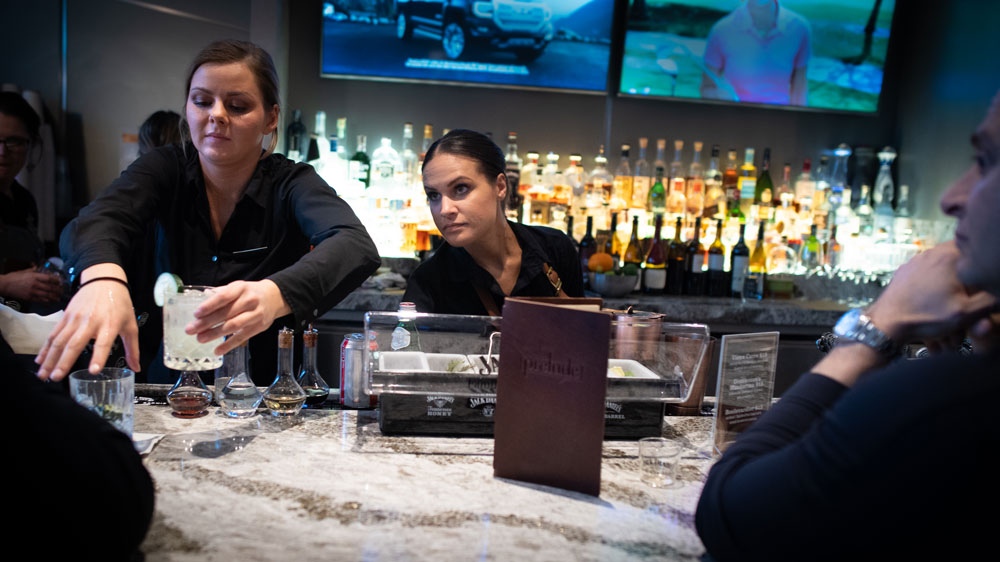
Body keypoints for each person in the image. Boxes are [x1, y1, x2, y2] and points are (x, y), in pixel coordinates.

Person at [695, 90, 1000, 560]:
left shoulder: (944, 399)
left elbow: (732, 511)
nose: (950, 197)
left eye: (985, 161)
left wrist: (875, 327)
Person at [36, 40, 380, 384]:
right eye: (202, 101)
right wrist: (102, 278)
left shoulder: (291, 183)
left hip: (261, 397)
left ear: (271, 118)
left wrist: (274, 294)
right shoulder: (164, 168)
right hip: (164, 389)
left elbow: (354, 244)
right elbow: (99, 219)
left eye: (238, 105)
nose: (216, 115)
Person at [403, 129, 583, 315]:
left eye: (460, 188)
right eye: (433, 195)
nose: (445, 209)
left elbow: (585, 336)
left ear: (500, 187)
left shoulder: (556, 249)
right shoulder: (428, 282)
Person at [0, 92, 62, 309]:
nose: (2, 151)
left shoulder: (24, 200)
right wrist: (5, 284)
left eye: (14, 142)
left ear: (31, 145)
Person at [700, 0, 811, 106]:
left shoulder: (800, 28)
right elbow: (707, 87)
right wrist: (717, 95)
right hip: (734, 118)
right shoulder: (721, 29)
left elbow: (799, 87)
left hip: (779, 120)